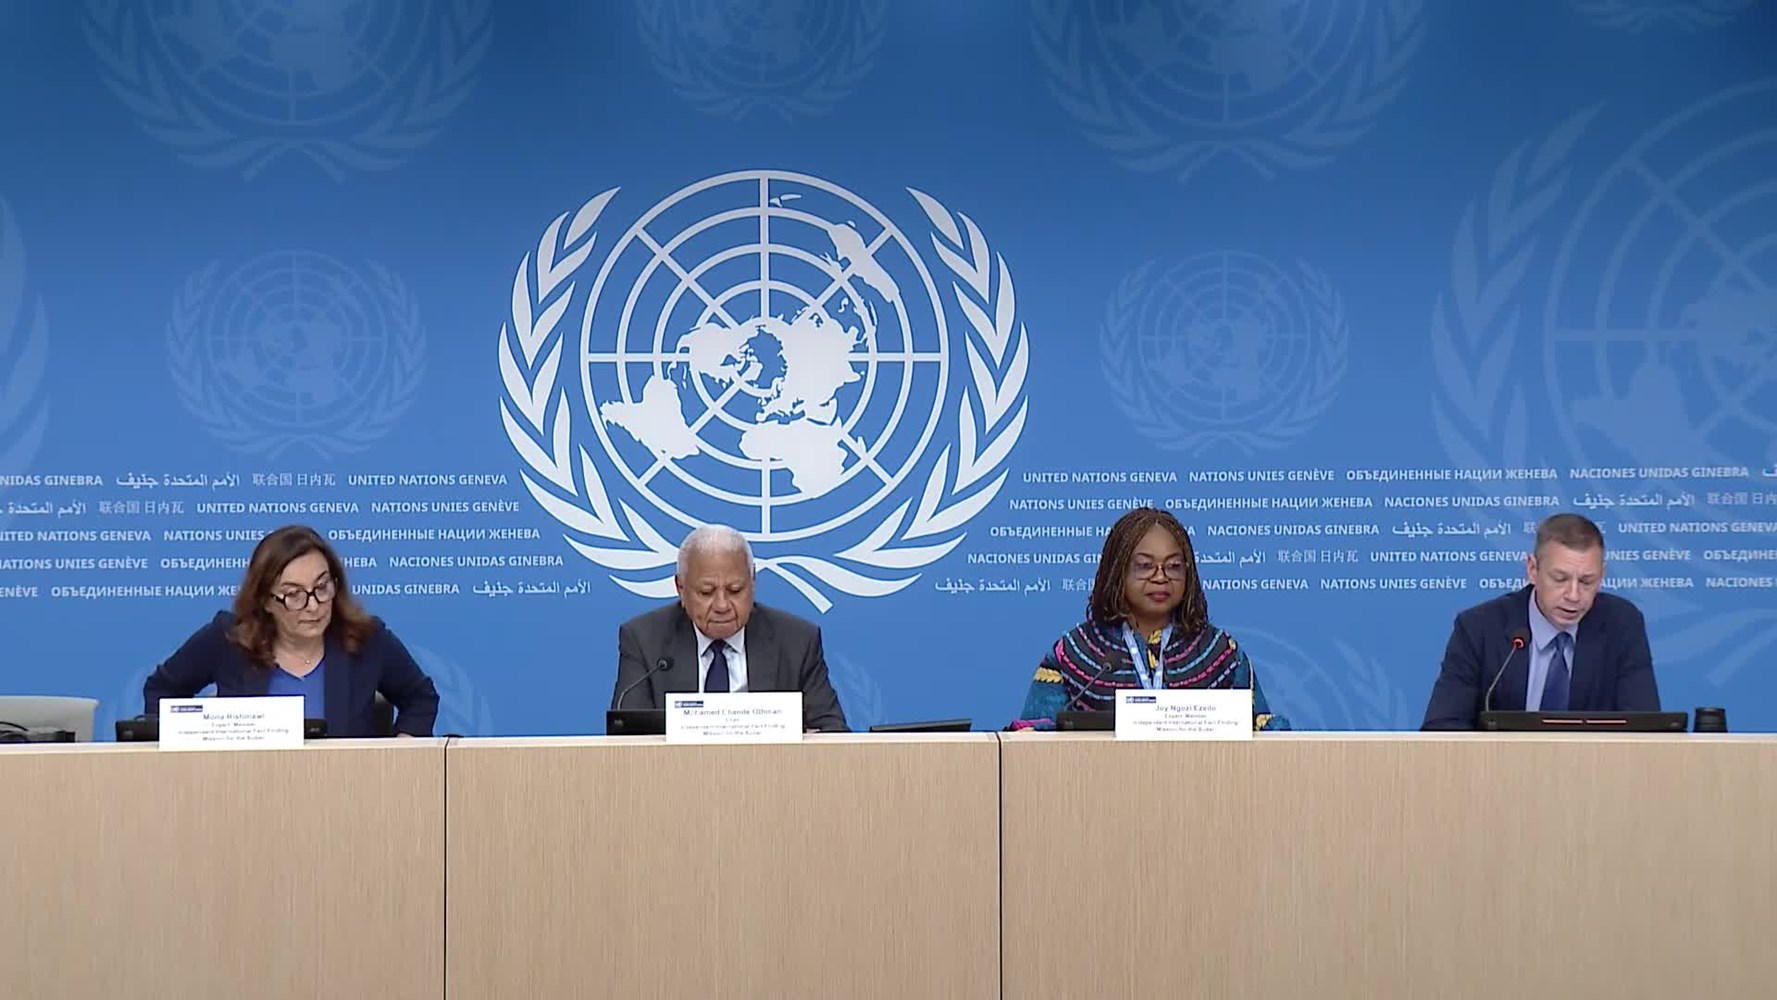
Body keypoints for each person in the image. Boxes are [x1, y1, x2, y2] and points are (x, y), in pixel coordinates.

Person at [143, 524, 440, 737]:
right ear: (265, 600)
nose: (313, 606)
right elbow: (161, 690)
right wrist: (188, 750)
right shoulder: (228, 640)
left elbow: (420, 697)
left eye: (322, 587)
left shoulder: (366, 639)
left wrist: (401, 753)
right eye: (293, 595)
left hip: (348, 793)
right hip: (246, 793)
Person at [1009, 507, 1289, 730]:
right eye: (1145, 566)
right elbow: (1034, 740)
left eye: (1173, 566)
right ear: (1117, 571)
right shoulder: (1076, 653)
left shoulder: (1218, 652)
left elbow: (1262, 736)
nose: (1161, 577)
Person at [1421, 512, 1659, 730]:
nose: (1574, 595)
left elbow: (1644, 728)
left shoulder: (1621, 625)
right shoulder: (1480, 628)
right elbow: (1442, 727)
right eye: (1560, 579)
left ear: (1602, 575)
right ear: (1533, 569)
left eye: (1587, 581)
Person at [612, 524, 848, 732]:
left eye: (735, 590)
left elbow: (832, 733)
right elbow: (629, 738)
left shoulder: (797, 641)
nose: (722, 605)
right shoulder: (644, 640)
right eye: (706, 592)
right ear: (681, 589)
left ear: (752, 582)